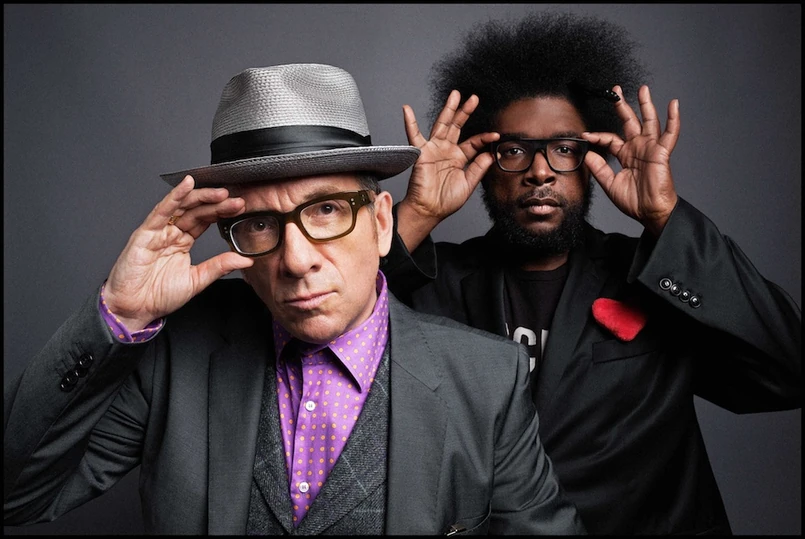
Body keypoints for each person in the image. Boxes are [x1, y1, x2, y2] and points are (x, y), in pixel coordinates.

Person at [3, 63, 586, 535]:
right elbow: (15, 497)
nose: (296, 258)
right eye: (259, 224)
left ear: (382, 222)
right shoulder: (174, 351)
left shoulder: (486, 380)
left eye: (326, 210)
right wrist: (120, 314)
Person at [384, 11, 802, 536]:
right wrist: (417, 215)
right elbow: (315, 344)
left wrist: (666, 219)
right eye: (514, 150)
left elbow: (787, 374)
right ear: (484, 167)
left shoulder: (654, 276)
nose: (540, 171)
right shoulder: (431, 286)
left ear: (592, 162)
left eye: (564, 149)